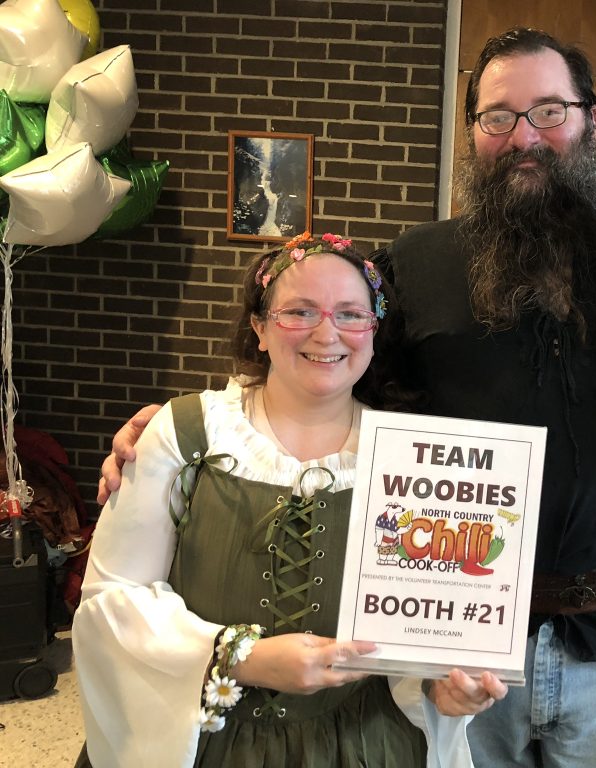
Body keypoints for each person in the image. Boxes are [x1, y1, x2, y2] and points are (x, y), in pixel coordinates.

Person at [99, 28, 596, 768]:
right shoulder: (414, 263)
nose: (524, 137)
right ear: (473, 131)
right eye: (499, 116)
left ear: (590, 119)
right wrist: (202, 427)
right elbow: (331, 371)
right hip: (454, 649)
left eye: (549, 111)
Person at [74, 233, 506, 768]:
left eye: (351, 314)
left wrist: (446, 688)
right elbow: (112, 598)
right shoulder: (185, 435)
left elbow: (421, 629)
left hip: (366, 744)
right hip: (210, 742)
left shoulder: (414, 459)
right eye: (299, 311)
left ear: (373, 332)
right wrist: (241, 657)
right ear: (259, 327)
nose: (327, 333)